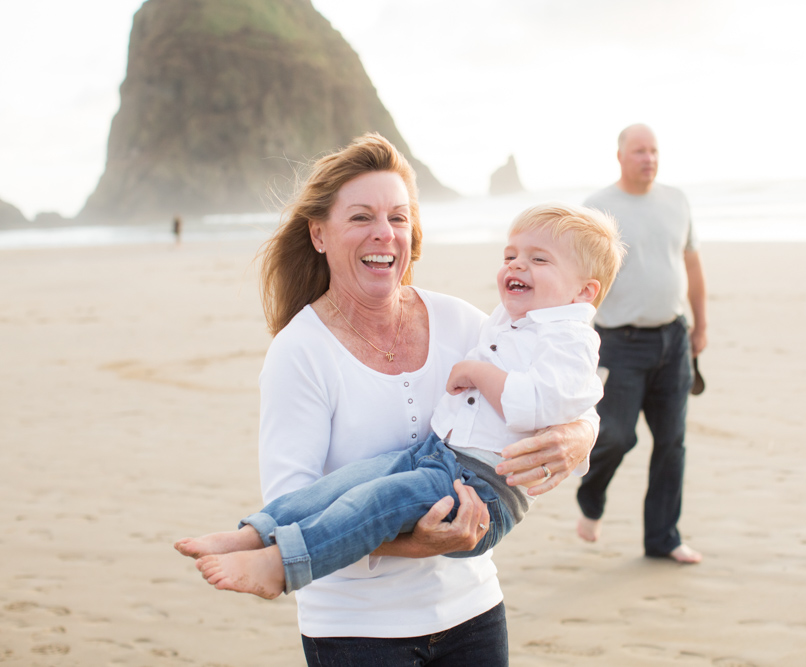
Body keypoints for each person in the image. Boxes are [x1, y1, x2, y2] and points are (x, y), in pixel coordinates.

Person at [174, 133, 597, 665]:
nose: (384, 233)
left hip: (471, 610)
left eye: (398, 217)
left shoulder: (462, 322)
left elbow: (566, 386)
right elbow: (301, 492)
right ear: (319, 234)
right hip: (357, 628)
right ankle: (259, 541)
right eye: (361, 218)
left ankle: (273, 551)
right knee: (354, 488)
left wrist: (582, 435)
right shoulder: (299, 352)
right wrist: (414, 544)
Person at [575, 123, 708, 564]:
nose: (647, 158)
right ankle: (591, 497)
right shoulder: (597, 209)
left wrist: (700, 327)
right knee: (614, 434)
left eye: (653, 151)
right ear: (620, 156)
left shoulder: (677, 200)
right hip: (619, 342)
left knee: (672, 442)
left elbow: (691, 263)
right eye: (638, 151)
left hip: (673, 337)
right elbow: (577, 278)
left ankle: (663, 539)